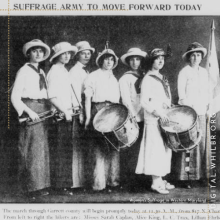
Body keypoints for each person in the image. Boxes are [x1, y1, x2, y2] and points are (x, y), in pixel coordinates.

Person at [11, 39, 51, 198]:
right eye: (34, 51)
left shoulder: (41, 72)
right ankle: (30, 189)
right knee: (30, 150)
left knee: (41, 151)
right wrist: (28, 112)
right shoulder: (24, 71)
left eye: (41, 51)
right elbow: (15, 97)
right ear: (28, 53)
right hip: (31, 110)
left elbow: (45, 94)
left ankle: (40, 186)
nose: (38, 54)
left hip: (43, 110)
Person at [135, 48, 175, 194]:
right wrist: (156, 111)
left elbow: (163, 97)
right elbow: (144, 102)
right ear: (151, 61)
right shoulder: (147, 78)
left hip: (164, 117)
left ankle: (161, 178)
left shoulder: (162, 77)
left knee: (166, 147)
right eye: (157, 59)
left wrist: (167, 104)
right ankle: (155, 183)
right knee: (155, 149)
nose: (160, 61)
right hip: (153, 118)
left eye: (162, 59)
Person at [83, 46, 120, 191]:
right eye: (106, 59)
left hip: (114, 112)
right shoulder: (93, 76)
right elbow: (87, 98)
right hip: (98, 110)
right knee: (99, 147)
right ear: (101, 61)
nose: (109, 62)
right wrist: (87, 118)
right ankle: (99, 184)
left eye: (111, 59)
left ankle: (114, 181)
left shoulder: (114, 78)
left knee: (113, 146)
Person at [175, 42, 211, 186]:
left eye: (198, 55)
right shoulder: (184, 72)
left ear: (201, 57)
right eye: (193, 55)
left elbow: (208, 93)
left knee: (202, 144)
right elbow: (181, 95)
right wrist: (189, 110)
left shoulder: (204, 72)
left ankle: (203, 176)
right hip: (189, 114)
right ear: (189, 58)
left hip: (202, 112)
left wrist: (207, 108)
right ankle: (187, 177)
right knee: (189, 144)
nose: (195, 58)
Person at [47, 42, 78, 194]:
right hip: (59, 116)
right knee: (60, 150)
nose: (67, 56)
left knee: (66, 149)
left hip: (67, 115)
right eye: (63, 54)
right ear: (57, 56)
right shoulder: (54, 72)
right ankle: (59, 186)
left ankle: (65, 184)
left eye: (68, 54)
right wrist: (64, 111)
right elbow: (52, 97)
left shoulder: (64, 71)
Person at [119, 48, 147, 189]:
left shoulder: (145, 75)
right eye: (132, 59)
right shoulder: (125, 78)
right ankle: (131, 181)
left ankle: (144, 179)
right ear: (128, 62)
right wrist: (133, 116)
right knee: (132, 148)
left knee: (144, 148)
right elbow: (126, 100)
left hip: (146, 116)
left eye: (138, 59)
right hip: (133, 117)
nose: (135, 62)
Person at [69, 41, 95, 190]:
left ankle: (83, 180)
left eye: (88, 53)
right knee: (77, 146)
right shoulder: (74, 71)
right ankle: (75, 182)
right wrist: (79, 112)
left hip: (86, 109)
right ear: (77, 55)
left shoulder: (86, 71)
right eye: (83, 53)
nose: (86, 56)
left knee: (84, 145)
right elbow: (74, 94)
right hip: (78, 111)